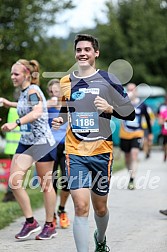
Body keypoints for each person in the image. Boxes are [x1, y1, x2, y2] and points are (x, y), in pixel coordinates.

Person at [52, 34, 135, 252]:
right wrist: (60, 118)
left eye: (87, 49)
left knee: (100, 208)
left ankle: (100, 239)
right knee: (80, 206)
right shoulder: (65, 81)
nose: (82, 53)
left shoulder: (109, 80)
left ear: (96, 53)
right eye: (79, 50)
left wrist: (110, 109)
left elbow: (130, 114)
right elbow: (65, 109)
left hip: (101, 151)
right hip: (75, 151)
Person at [0, 59, 57, 240]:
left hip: (41, 143)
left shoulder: (33, 91)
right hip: (26, 142)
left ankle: (50, 225)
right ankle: (31, 221)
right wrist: (10, 103)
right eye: (11, 74)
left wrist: (15, 123)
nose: (12, 77)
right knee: (14, 182)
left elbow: (37, 111)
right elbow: (27, 107)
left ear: (26, 74)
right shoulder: (24, 93)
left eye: (16, 74)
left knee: (45, 185)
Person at [119, 83, 153, 190]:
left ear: (136, 91)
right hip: (125, 133)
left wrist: (150, 133)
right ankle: (130, 174)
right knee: (127, 157)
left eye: (132, 90)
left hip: (137, 133)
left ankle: (132, 179)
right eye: (128, 90)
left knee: (134, 154)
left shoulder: (142, 105)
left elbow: (147, 119)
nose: (130, 92)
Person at [47, 79, 70, 228]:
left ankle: (62, 209)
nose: (55, 94)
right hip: (51, 146)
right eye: (52, 92)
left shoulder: (67, 105)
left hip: (67, 146)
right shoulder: (46, 106)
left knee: (67, 180)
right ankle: (52, 215)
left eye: (57, 91)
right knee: (52, 181)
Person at [2, 88, 21, 202]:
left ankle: (11, 193)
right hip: (17, 146)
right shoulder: (18, 110)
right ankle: (10, 193)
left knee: (14, 172)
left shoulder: (12, 110)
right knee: (16, 173)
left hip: (11, 146)